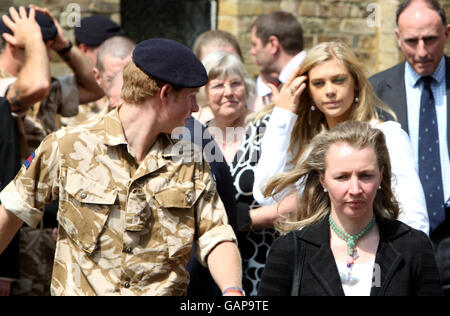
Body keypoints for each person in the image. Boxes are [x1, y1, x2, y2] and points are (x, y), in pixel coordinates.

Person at [0, 38, 242, 296]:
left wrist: (233, 291)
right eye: (191, 98)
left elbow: (215, 234)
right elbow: (12, 210)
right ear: (165, 93)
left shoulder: (191, 160)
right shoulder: (68, 146)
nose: (195, 109)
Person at [252, 41, 430, 235]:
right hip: (314, 258)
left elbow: (413, 216)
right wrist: (283, 115)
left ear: (355, 83)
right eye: (319, 83)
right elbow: (266, 194)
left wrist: (408, 261)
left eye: (338, 80)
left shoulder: (386, 136)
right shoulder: (307, 144)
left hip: (373, 255)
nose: (329, 90)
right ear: (308, 90)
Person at [258, 121, 442, 296]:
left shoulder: (413, 246)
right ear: (323, 180)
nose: (355, 190)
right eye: (342, 177)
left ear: (381, 175)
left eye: (365, 176)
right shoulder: (291, 249)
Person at [369, 0, 450, 292]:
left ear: (447, 33)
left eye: (430, 39)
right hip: (399, 235)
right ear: (397, 37)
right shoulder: (375, 92)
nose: (422, 51)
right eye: (411, 41)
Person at [197, 51, 275, 295]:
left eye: (236, 83)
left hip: (261, 258)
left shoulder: (268, 131)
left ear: (247, 88)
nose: (228, 92)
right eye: (218, 85)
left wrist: (247, 219)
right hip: (207, 263)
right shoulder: (196, 137)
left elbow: (297, 201)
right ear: (204, 93)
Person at [61, 35, 135, 126]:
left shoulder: (155, 126)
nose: (121, 89)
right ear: (98, 78)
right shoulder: (86, 134)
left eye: (129, 78)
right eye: (111, 80)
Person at [250, 11, 306, 104]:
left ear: (273, 44)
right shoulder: (288, 80)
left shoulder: (307, 77)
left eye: (255, 44)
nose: (252, 51)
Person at [192, 29, 245, 123]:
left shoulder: (262, 112)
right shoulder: (186, 121)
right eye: (211, 62)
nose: (224, 67)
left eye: (230, 59)